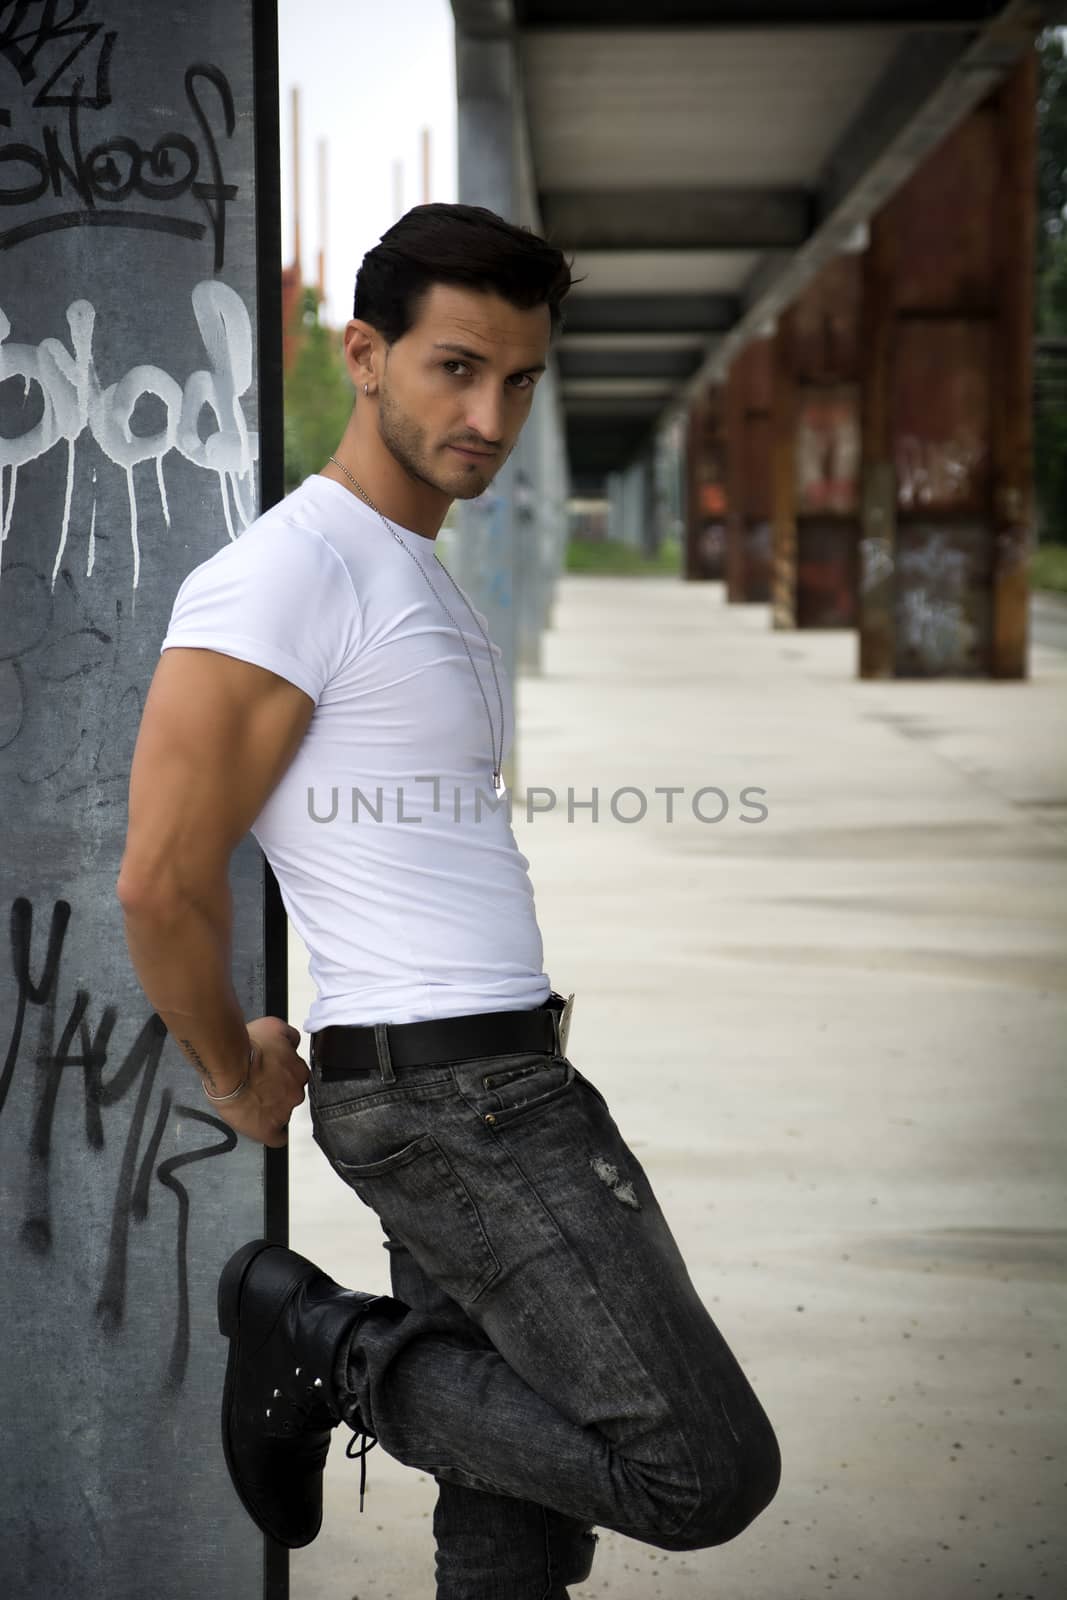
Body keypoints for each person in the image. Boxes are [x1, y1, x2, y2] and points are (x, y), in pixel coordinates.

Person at [117, 202, 781, 1598]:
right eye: (456, 367)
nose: (494, 411)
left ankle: (355, 1364)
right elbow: (163, 878)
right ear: (365, 355)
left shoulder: (411, 572)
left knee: (512, 1536)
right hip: (456, 1105)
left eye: (521, 378)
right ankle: (325, 1349)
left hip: (489, 1076)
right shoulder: (288, 574)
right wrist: (235, 1068)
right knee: (701, 1469)